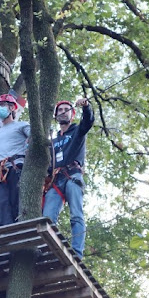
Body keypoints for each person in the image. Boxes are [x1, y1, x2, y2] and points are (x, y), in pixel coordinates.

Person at [42, 98, 95, 258]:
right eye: (60, 110)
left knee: (76, 215)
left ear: (72, 114)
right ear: (56, 116)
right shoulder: (52, 141)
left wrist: (86, 107)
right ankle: (47, 252)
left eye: (66, 109)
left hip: (72, 176)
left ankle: (77, 253)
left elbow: (88, 121)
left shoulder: (78, 131)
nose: (63, 112)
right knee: (47, 219)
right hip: (56, 181)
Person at [0, 94, 31, 225]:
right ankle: (6, 231)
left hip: (16, 166)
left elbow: (35, 138)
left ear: (12, 107)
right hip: (0, 172)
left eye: (2, 105)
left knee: (16, 201)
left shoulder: (22, 125)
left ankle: (19, 230)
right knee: (1, 203)